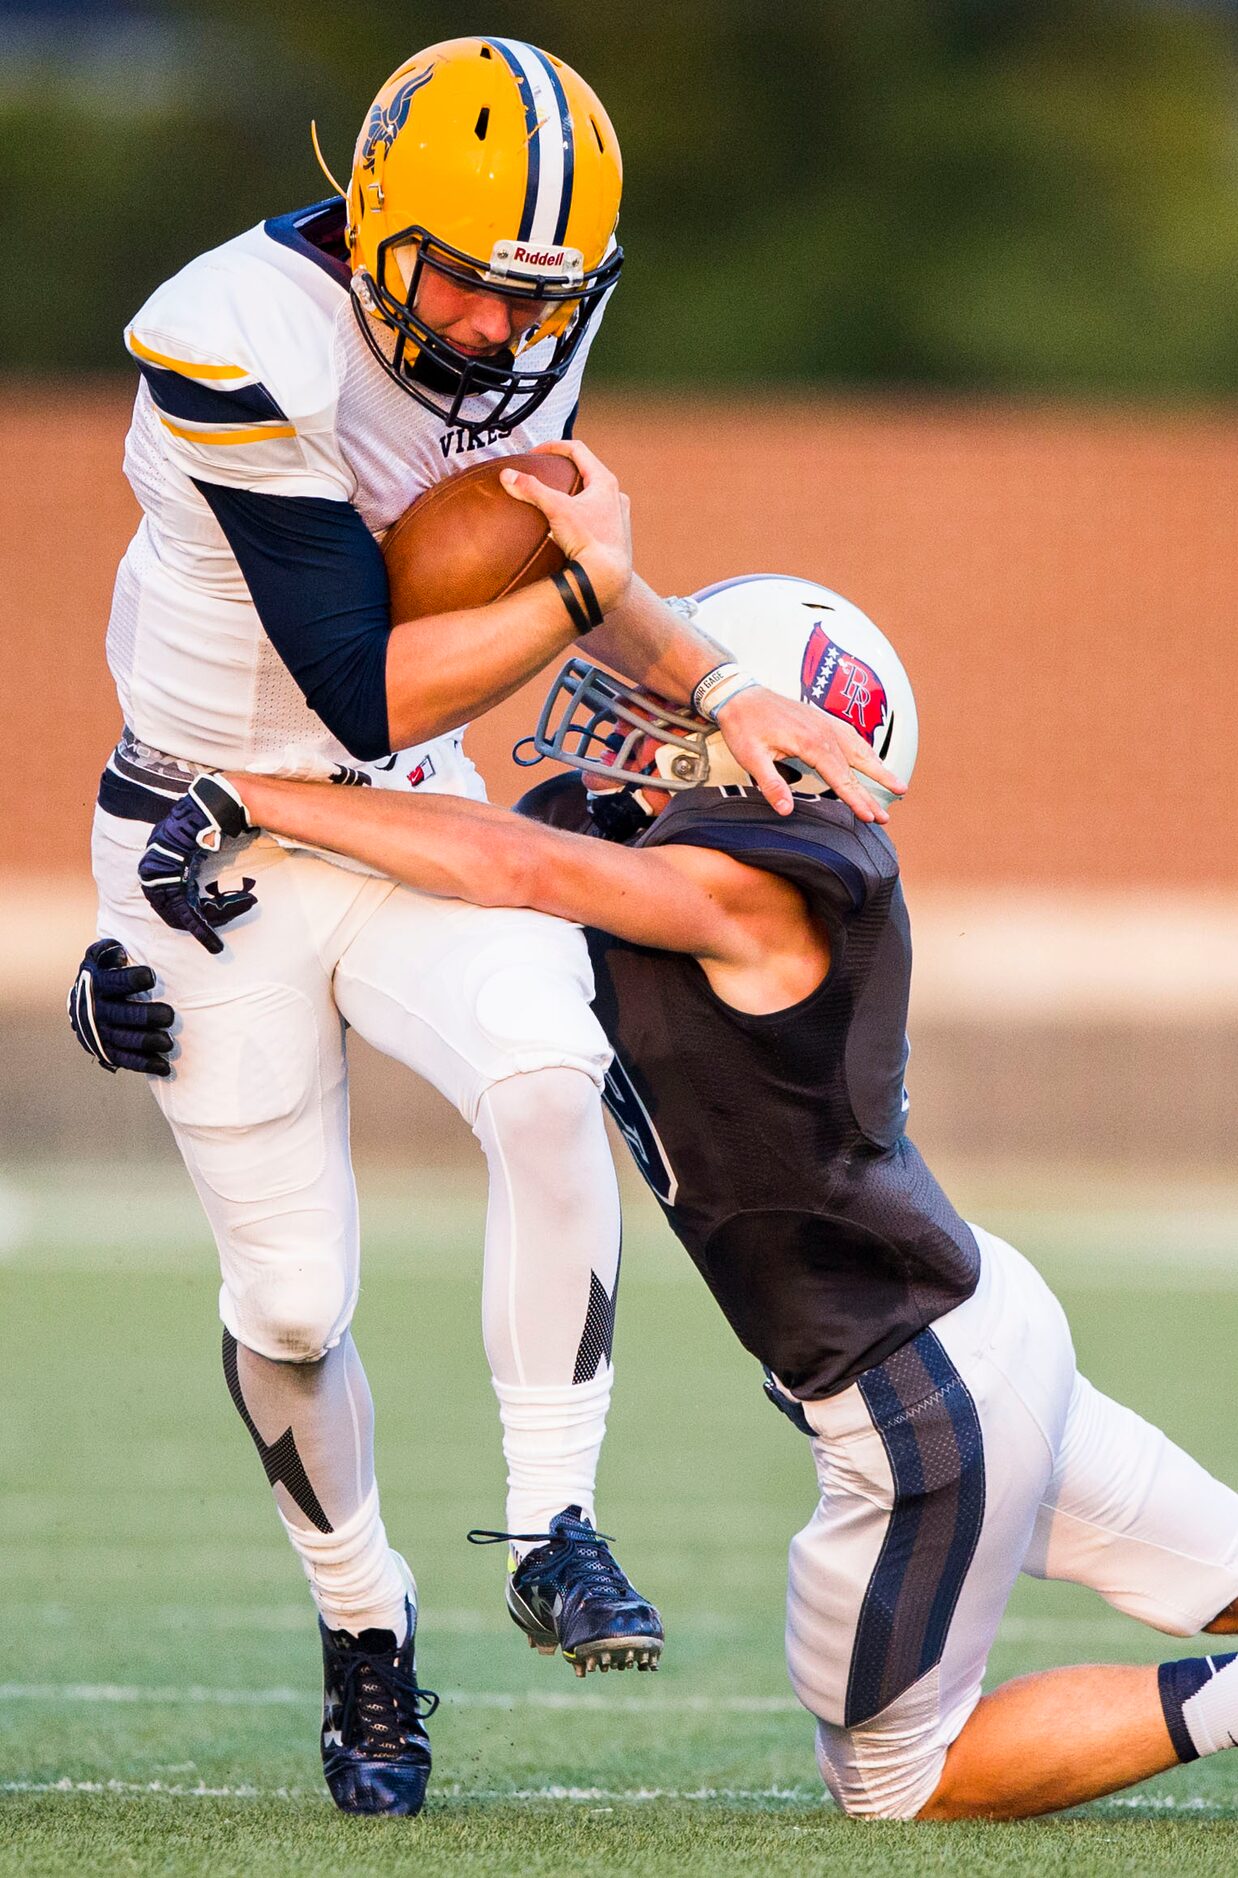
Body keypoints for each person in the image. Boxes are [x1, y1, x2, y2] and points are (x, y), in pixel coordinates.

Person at [80, 527, 1238, 1820]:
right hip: (972, 1335)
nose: (649, 697)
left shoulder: (764, 888)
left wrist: (249, 791)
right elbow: (398, 902)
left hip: (915, 1399)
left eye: (695, 690)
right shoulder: (644, 838)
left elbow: (508, 867)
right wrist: (141, 968)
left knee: (898, 1775)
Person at [69, 35, 902, 1818]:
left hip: (401, 795)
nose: (498, 329)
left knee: (545, 1061)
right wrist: (593, 584)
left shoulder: (520, 316)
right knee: (290, 1303)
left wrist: (726, 683)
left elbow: (524, 579)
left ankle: (550, 1522)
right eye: (466, 278)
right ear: (377, 218)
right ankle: (366, 1625)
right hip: (203, 824)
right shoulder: (228, 333)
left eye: (541, 295)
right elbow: (360, 682)